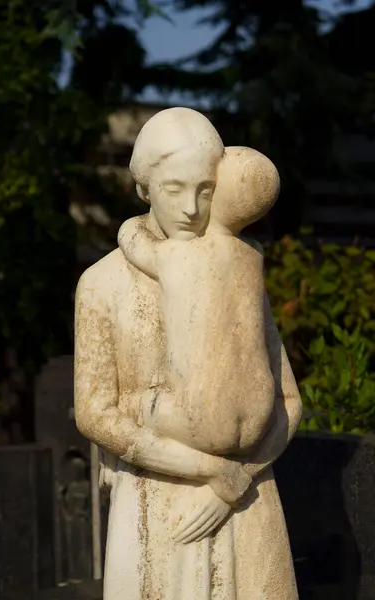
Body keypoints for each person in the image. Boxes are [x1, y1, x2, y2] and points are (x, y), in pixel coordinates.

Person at [75, 108, 301, 599]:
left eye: (204, 190)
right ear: (144, 188)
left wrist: (235, 478)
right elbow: (95, 412)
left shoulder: (236, 271)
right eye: (174, 189)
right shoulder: (102, 284)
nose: (191, 208)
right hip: (157, 501)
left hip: (245, 498)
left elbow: (287, 400)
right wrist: (208, 471)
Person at [117, 146, 280, 457]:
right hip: (260, 413)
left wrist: (129, 224)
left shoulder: (178, 255)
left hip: (202, 419)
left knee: (133, 404)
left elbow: (134, 242)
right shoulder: (254, 254)